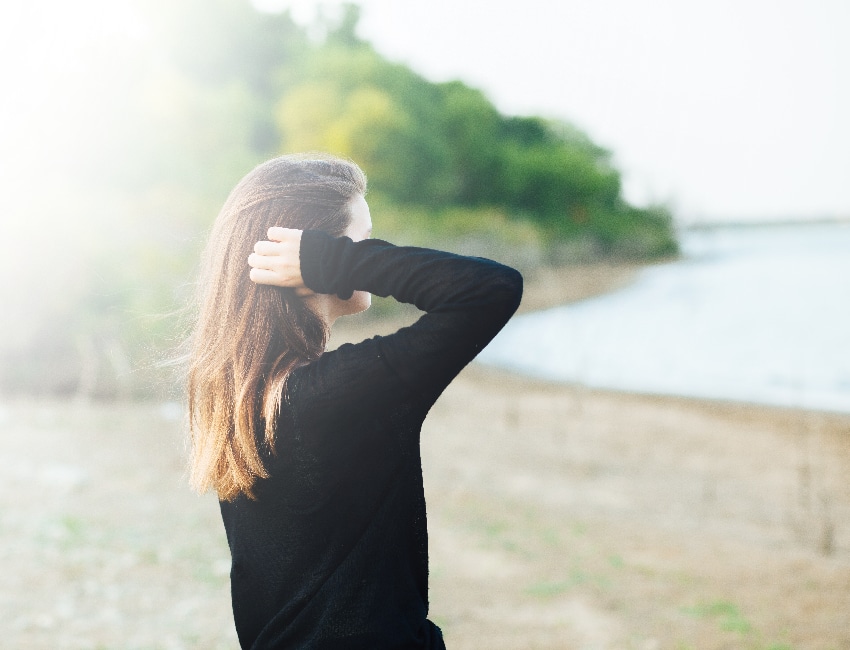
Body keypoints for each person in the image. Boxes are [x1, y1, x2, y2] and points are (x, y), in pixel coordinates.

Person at [186, 153, 523, 649]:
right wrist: (337, 262)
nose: (371, 253)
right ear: (310, 255)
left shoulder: (235, 394)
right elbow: (491, 289)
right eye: (363, 242)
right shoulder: (338, 396)